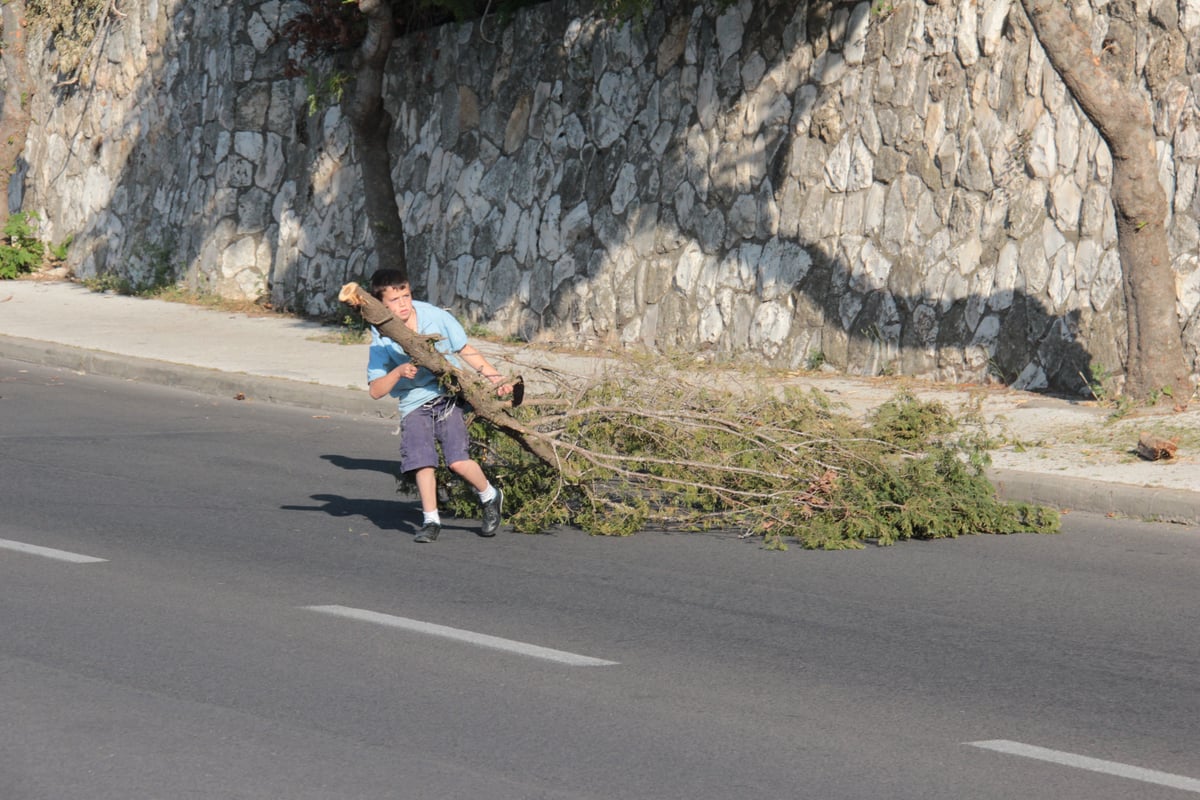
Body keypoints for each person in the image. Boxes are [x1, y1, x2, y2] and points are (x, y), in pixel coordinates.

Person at [365, 269, 511, 543]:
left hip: (448, 393)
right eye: (394, 300)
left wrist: (496, 378)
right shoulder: (381, 337)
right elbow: (375, 390)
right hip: (413, 402)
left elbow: (464, 349)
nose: (403, 304)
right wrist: (397, 373)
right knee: (422, 461)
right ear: (381, 306)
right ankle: (431, 520)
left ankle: (490, 496)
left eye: (406, 296)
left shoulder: (434, 316)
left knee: (457, 461)